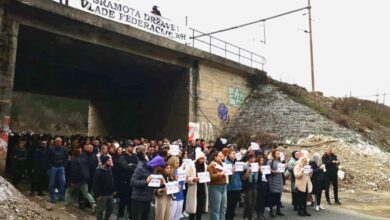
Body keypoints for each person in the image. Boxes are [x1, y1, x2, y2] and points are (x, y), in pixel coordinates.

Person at [131, 155, 166, 220]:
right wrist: (146, 181)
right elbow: (133, 182)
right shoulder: (140, 168)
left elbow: (152, 185)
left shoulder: (153, 170)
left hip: (148, 199)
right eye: (159, 166)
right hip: (138, 199)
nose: (160, 169)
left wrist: (160, 185)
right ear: (156, 164)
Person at [64, 147, 96, 212]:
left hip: (76, 180)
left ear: (73, 154)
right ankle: (93, 204)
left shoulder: (74, 161)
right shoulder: (84, 160)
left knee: (68, 191)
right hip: (84, 179)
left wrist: (72, 181)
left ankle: (67, 206)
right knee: (86, 193)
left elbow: (74, 171)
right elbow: (87, 170)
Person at [117, 144, 138, 220]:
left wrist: (131, 166)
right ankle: (120, 217)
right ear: (126, 148)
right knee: (123, 202)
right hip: (124, 183)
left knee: (131, 202)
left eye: (132, 146)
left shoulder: (135, 157)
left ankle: (130, 217)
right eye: (130, 146)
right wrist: (132, 166)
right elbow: (125, 166)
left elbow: (138, 167)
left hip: (132, 182)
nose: (132, 148)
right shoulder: (122, 157)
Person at [186, 150, 208, 220]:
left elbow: (207, 176)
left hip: (202, 189)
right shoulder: (191, 165)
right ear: (197, 158)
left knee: (200, 209)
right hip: (194, 189)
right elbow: (185, 177)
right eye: (201, 158)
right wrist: (192, 179)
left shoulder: (205, 166)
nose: (202, 160)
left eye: (203, 158)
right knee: (192, 210)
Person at [93, 155, 116, 220]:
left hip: (110, 194)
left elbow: (112, 180)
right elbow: (95, 184)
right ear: (104, 162)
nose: (111, 162)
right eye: (109, 161)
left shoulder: (110, 170)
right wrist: (97, 195)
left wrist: (114, 190)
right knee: (100, 211)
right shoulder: (98, 172)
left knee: (110, 209)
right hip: (102, 195)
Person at [207, 151, 228, 220]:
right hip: (215, 187)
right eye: (219, 156)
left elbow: (226, 174)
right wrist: (219, 174)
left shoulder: (224, 164)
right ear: (215, 157)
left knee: (223, 207)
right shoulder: (211, 165)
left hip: (224, 186)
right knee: (216, 208)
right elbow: (210, 177)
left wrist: (231, 171)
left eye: (222, 156)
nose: (221, 157)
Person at [48, 137, 67, 203]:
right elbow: (48, 158)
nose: (60, 142)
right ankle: (53, 197)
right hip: (53, 167)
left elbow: (66, 157)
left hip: (61, 167)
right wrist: (50, 166)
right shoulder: (51, 149)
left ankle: (61, 196)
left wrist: (64, 164)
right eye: (58, 141)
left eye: (60, 141)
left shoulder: (64, 149)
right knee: (52, 183)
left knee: (63, 182)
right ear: (55, 142)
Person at [267, 149, 285, 217]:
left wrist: (284, 166)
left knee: (278, 196)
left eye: (279, 153)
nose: (279, 154)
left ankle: (278, 210)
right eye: (277, 153)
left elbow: (282, 170)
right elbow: (267, 170)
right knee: (272, 196)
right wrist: (274, 171)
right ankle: (271, 210)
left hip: (279, 179)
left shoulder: (280, 161)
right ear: (274, 154)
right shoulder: (270, 161)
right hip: (273, 180)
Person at [225, 149, 242, 220]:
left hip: (238, 186)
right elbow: (227, 175)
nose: (234, 154)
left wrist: (242, 169)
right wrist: (231, 171)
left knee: (234, 206)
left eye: (235, 153)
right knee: (229, 206)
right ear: (229, 154)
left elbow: (240, 175)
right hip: (230, 187)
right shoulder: (226, 163)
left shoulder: (237, 162)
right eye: (233, 153)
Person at [242, 153, 258, 220]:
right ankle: (246, 216)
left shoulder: (255, 165)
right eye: (251, 158)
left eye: (253, 158)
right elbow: (243, 178)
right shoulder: (244, 165)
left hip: (254, 185)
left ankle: (250, 217)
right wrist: (248, 172)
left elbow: (256, 177)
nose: (252, 159)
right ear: (248, 159)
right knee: (248, 203)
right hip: (247, 186)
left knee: (253, 204)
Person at [256, 155, 268, 220]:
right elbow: (256, 178)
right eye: (260, 160)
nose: (262, 161)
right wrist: (259, 171)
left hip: (264, 184)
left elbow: (267, 175)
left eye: (262, 160)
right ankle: (258, 214)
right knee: (259, 200)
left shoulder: (264, 167)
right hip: (259, 185)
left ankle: (262, 213)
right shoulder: (256, 167)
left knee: (263, 199)